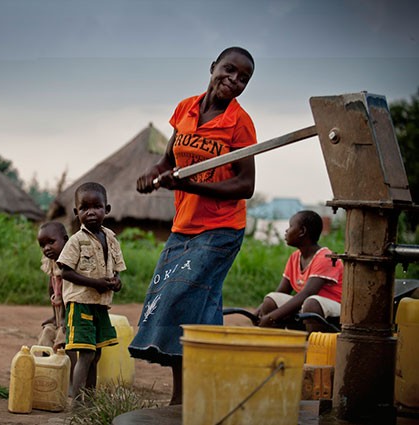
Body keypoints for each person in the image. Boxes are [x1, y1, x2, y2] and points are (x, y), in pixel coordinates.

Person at [128, 46, 257, 405]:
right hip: (184, 227)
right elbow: (168, 158)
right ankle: (193, 397)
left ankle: (188, 398)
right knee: (198, 310)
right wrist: (152, 174)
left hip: (220, 229)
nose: (233, 80)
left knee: (181, 299)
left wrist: (189, 184)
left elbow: (245, 185)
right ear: (213, 67)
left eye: (243, 78)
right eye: (229, 70)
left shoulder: (240, 123)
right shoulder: (186, 107)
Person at [57, 182, 126, 405]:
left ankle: (91, 402)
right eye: (84, 208)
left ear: (107, 209)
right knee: (85, 354)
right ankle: (78, 405)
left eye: (96, 207)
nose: (91, 212)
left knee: (96, 354)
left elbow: (117, 271)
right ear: (77, 213)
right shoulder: (76, 241)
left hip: (100, 304)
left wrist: (116, 283)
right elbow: (65, 272)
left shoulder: (112, 239)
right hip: (80, 304)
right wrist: (94, 283)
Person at [257, 210, 343, 333]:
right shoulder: (295, 257)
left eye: (291, 226)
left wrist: (271, 317)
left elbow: (307, 293)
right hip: (308, 307)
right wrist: (260, 311)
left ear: (302, 231)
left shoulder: (325, 258)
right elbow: (282, 291)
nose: (287, 231)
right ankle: (277, 347)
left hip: (333, 309)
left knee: (311, 303)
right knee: (271, 300)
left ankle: (314, 347)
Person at [36, 221, 71, 353]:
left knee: (64, 338)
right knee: (47, 333)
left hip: (72, 314)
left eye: (51, 242)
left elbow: (69, 293)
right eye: (42, 245)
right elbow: (52, 288)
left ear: (65, 240)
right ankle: (47, 367)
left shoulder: (70, 263)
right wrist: (54, 316)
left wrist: (64, 318)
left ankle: (69, 371)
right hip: (59, 312)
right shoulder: (52, 263)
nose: (46, 248)